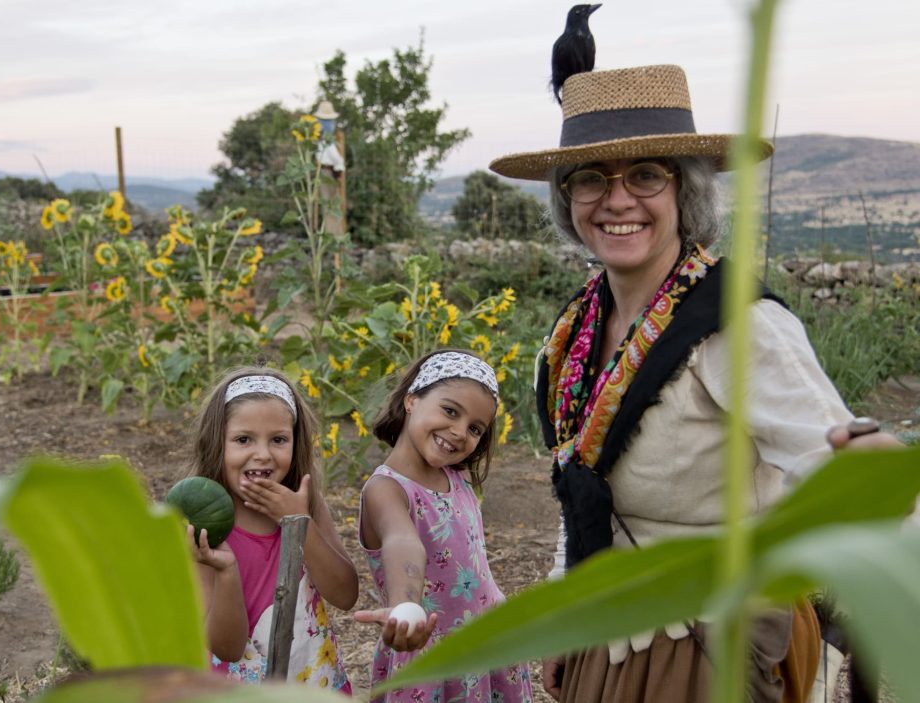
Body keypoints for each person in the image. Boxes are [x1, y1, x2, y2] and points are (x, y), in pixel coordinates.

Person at [487, 30, 903, 703]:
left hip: (705, 645)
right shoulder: (579, 329)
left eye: (647, 174)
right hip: (611, 628)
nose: (617, 200)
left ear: (687, 188)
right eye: (591, 178)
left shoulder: (739, 326)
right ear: (567, 197)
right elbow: (580, 487)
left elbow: (840, 468)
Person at [354, 350, 535, 702]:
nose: (459, 432)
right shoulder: (386, 489)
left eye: (475, 429)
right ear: (411, 399)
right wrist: (407, 609)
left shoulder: (458, 478)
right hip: (430, 647)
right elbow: (401, 541)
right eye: (450, 411)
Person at [188, 366, 358, 692]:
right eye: (243, 439)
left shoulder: (306, 503)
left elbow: (345, 594)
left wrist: (298, 524)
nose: (262, 454)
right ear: (216, 443)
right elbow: (227, 648)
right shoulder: (205, 521)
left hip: (310, 681)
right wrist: (225, 572)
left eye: (278, 439)